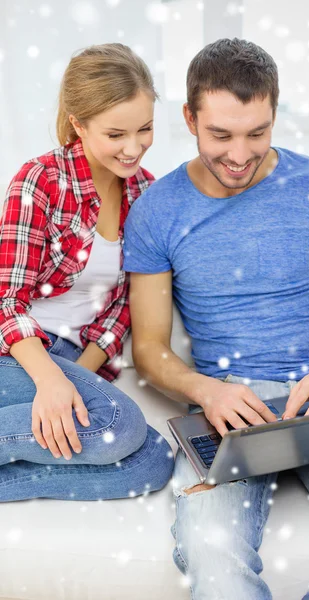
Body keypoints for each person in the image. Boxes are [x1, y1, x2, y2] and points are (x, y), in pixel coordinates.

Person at [123, 38, 309, 599]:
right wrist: (207, 391)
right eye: (221, 135)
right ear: (189, 118)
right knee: (210, 552)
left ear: (275, 112)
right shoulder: (156, 210)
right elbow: (149, 350)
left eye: (258, 132)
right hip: (229, 408)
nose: (240, 155)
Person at [0, 43, 174, 502]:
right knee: (119, 425)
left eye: (146, 129)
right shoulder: (41, 180)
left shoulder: (145, 193)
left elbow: (120, 312)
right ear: (78, 124)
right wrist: (50, 381)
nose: (133, 147)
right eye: (116, 134)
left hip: (71, 360)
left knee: (154, 461)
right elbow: (6, 300)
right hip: (18, 354)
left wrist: (78, 383)